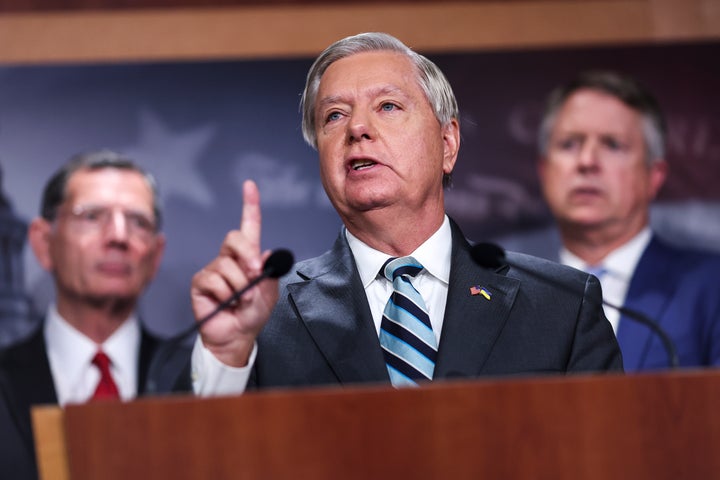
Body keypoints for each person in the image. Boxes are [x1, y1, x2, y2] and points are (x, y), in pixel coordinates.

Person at [189, 32, 622, 396]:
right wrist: (227, 358)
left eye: (388, 107)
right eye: (334, 115)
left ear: (448, 144)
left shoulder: (561, 306)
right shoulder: (263, 318)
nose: (357, 128)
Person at [0, 150, 188, 480]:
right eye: (91, 216)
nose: (118, 236)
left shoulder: (195, 377)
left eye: (138, 221)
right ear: (44, 243)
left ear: (156, 255)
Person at [537, 70, 720, 371]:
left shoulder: (710, 286)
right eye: (569, 144)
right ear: (544, 170)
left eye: (612, 145)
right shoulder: (502, 289)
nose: (586, 161)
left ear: (654, 175)